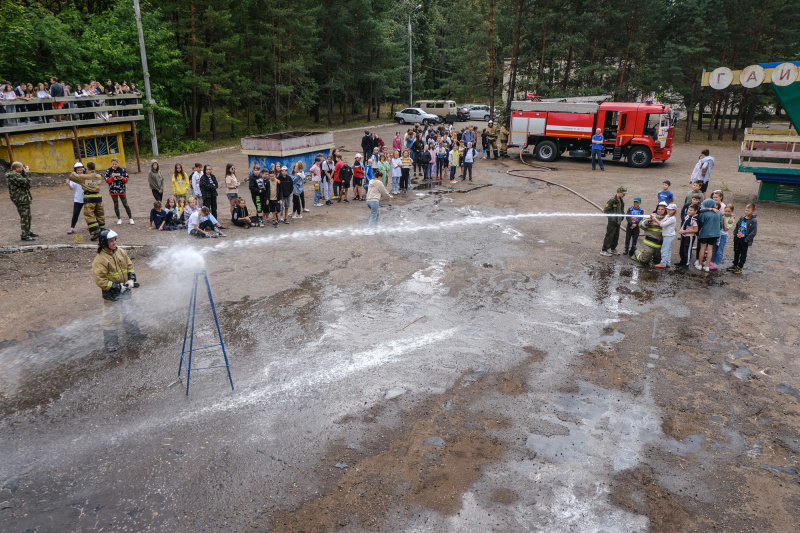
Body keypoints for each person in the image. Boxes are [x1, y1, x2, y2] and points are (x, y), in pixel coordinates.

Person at [91, 229, 146, 352]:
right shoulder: (100, 260)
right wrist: (117, 287)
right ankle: (111, 344)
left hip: (125, 290)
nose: (114, 242)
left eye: (115, 239)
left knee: (129, 312)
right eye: (111, 241)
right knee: (110, 319)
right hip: (111, 293)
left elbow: (129, 265)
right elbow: (101, 281)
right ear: (104, 243)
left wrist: (131, 278)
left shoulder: (120, 251)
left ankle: (134, 334)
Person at [70, 161, 106, 239]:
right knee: (100, 214)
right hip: (98, 197)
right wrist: (86, 171)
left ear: (87, 168)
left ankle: (96, 232)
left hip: (89, 198)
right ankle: (103, 230)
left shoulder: (84, 177)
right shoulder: (99, 176)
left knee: (89, 215)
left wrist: (76, 170)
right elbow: (91, 181)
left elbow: (72, 176)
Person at [6, 161, 37, 241]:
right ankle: (25, 235)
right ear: (16, 169)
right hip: (20, 198)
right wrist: (27, 173)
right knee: (25, 217)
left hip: (22, 198)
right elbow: (27, 183)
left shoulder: (14, 175)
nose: (23, 169)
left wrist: (24, 173)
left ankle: (27, 231)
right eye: (21, 167)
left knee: (28, 216)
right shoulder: (13, 175)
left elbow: (23, 182)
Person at [728, 203, 757, 274]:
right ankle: (734, 264)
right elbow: (737, 226)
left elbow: (753, 232)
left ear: (753, 211)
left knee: (743, 253)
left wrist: (747, 239)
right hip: (738, 238)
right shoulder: (742, 218)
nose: (747, 212)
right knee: (736, 251)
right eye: (746, 210)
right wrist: (735, 234)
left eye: (749, 211)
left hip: (745, 240)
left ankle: (740, 267)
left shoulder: (753, 221)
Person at [105, 157, 134, 225]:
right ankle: (119, 219)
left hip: (121, 190)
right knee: (116, 204)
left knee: (125, 204)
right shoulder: (108, 171)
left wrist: (122, 178)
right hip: (113, 190)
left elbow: (126, 180)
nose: (114, 165)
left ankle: (130, 218)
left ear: (118, 163)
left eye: (116, 164)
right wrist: (112, 177)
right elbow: (107, 181)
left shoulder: (122, 170)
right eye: (113, 164)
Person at [695, 198, 721, 272]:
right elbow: (721, 224)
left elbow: (701, 223)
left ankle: (699, 264)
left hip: (704, 233)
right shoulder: (718, 213)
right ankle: (707, 266)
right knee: (710, 249)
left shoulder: (704, 214)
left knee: (702, 248)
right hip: (715, 234)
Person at [600, 186, 626, 256]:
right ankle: (604, 250)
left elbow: (621, 210)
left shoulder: (621, 200)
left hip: (618, 222)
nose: (624, 195)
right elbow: (605, 210)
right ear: (619, 192)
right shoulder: (612, 200)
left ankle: (613, 249)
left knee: (616, 236)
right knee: (609, 235)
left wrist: (622, 216)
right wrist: (612, 218)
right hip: (612, 222)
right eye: (623, 193)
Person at [654, 204, 677, 268]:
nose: (668, 210)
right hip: (668, 235)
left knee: (664, 250)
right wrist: (654, 223)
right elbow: (661, 222)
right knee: (668, 250)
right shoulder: (667, 216)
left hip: (669, 236)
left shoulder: (672, 218)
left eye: (670, 210)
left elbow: (662, 225)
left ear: (674, 210)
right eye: (668, 209)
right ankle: (668, 262)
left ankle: (663, 263)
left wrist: (654, 219)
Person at [678, 203, 699, 268]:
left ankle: (686, 264)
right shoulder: (687, 216)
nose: (689, 211)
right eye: (689, 210)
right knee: (682, 249)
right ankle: (682, 261)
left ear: (695, 211)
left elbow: (695, 230)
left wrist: (685, 231)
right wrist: (681, 230)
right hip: (684, 235)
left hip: (689, 236)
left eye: (691, 210)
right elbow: (684, 223)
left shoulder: (694, 219)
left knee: (687, 250)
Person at [66, 168, 85, 235]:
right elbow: (71, 188)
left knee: (89, 213)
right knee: (76, 213)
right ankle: (72, 228)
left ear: (83, 171)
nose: (79, 171)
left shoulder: (86, 177)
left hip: (86, 198)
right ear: (76, 171)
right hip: (78, 198)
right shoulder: (74, 179)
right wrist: (68, 184)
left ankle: (91, 226)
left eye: (81, 170)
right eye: (78, 170)